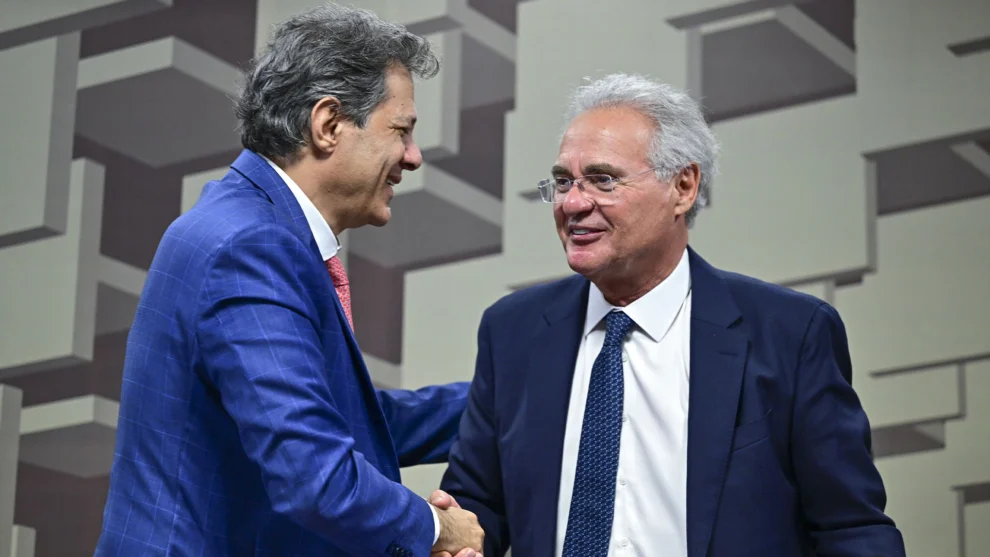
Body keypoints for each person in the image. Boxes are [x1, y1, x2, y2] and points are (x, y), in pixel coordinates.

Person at [434, 73, 906, 557]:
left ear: (682, 186)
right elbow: (477, 508)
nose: (573, 203)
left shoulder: (790, 333)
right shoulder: (513, 330)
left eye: (602, 179)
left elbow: (850, 528)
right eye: (561, 183)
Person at [94, 4, 483, 557]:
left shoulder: (246, 225)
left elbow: (342, 420)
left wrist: (509, 399)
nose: (413, 158)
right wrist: (437, 529)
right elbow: (314, 474)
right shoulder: (251, 246)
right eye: (402, 131)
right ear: (328, 125)